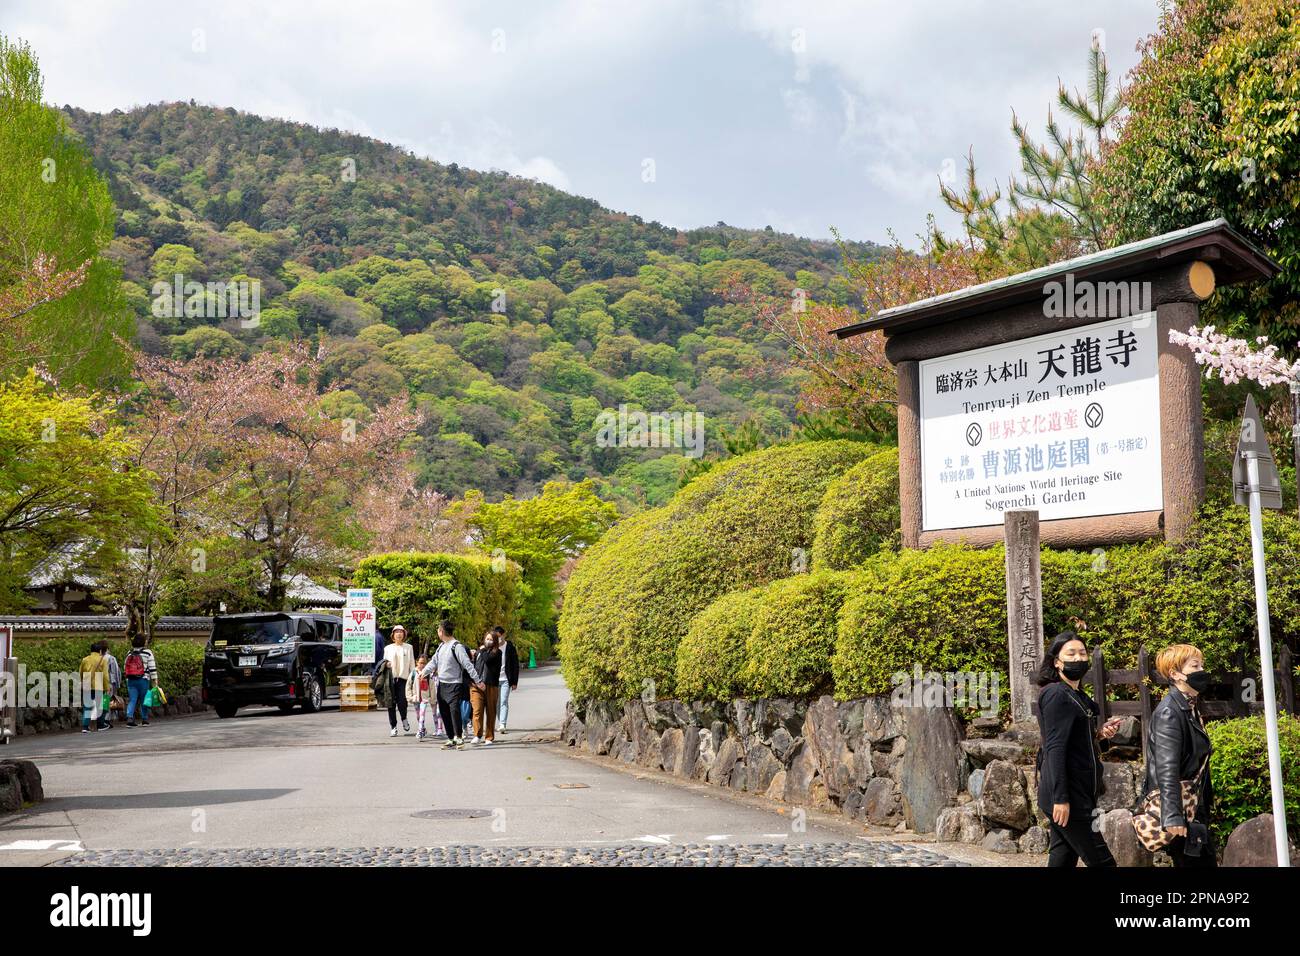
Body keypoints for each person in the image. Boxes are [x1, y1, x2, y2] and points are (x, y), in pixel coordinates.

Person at [1035, 630, 1122, 867]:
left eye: (1082, 653)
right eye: (1070, 654)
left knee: (1062, 859)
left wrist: (1100, 734)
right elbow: (1055, 748)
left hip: (1080, 792)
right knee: (1103, 862)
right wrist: (1061, 799)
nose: (1078, 659)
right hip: (1069, 797)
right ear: (1057, 662)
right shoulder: (1056, 695)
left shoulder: (1076, 695)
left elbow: (1076, 739)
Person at [1143, 644, 1216, 867]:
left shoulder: (1188, 706)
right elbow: (1167, 767)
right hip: (1182, 812)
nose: (1202, 670)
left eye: (1201, 664)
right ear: (1175, 674)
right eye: (1195, 666)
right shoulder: (1169, 712)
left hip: (1192, 807)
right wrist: (1173, 815)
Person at [419, 620, 482, 750]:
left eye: (438, 630)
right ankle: (451, 738)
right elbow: (434, 662)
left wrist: (478, 681)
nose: (438, 632)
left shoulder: (456, 646)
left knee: (454, 711)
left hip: (455, 684)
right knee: (444, 711)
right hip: (442, 683)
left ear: (441, 631)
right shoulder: (441, 646)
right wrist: (424, 672)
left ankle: (459, 738)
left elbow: (467, 665)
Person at [470, 630, 502, 745]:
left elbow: (487, 659)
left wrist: (482, 649)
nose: (488, 641)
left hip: (491, 686)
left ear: (495, 641)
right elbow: (473, 665)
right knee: (477, 710)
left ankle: (489, 737)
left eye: (491, 639)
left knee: (491, 711)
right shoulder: (479, 651)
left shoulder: (497, 653)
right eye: (487, 639)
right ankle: (477, 735)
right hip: (477, 685)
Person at [383, 624, 415, 737]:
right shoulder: (387, 648)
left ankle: (404, 719)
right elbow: (383, 663)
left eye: (401, 632)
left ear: (404, 634)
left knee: (402, 702)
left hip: (404, 679)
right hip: (390, 678)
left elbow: (412, 664)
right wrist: (386, 664)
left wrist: (413, 678)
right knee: (390, 704)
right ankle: (393, 727)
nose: (399, 634)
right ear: (393, 635)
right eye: (396, 632)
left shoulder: (409, 647)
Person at [122, 635, 159, 727]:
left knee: (132, 700)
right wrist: (155, 681)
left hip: (131, 680)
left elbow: (125, 667)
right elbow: (152, 668)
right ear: (144, 642)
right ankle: (144, 719)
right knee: (144, 699)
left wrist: (127, 679)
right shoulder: (147, 652)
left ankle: (130, 718)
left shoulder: (129, 653)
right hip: (143, 679)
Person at [78, 642, 110, 733]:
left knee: (87, 707)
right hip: (99, 685)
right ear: (100, 650)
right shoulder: (103, 660)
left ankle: (85, 727)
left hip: (87, 684)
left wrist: (82, 681)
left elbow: (81, 672)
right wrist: (107, 687)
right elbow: (105, 676)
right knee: (100, 706)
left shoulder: (85, 659)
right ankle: (100, 725)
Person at [407, 654, 439, 740]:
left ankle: (420, 730)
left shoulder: (428, 674)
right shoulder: (413, 673)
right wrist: (410, 697)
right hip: (416, 698)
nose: (422, 665)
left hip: (425, 698)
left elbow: (432, 688)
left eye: (424, 663)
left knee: (422, 714)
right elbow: (408, 686)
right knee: (418, 716)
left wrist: (433, 700)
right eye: (420, 663)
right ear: (417, 662)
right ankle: (423, 728)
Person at [495, 626, 519, 735]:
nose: (498, 639)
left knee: (503, 701)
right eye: (496, 637)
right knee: (496, 702)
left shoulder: (509, 647)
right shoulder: (492, 647)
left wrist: (514, 682)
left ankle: (502, 724)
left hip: (505, 679)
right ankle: (500, 721)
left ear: (504, 635)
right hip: (494, 679)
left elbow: (515, 665)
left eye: (500, 636)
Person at [97, 641, 122, 729]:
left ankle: (102, 720)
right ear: (107, 649)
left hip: (98, 682)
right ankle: (105, 721)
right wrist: (118, 684)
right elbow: (115, 672)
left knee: (101, 701)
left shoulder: (96, 658)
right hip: (109, 682)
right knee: (106, 701)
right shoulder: (111, 658)